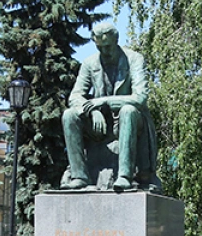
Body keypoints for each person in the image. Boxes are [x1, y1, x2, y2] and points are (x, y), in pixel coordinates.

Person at [60, 22, 159, 191]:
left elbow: (140, 98)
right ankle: (79, 177)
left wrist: (104, 102)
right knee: (69, 115)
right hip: (101, 124)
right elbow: (75, 96)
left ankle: (124, 176)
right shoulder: (90, 63)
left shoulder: (134, 59)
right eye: (100, 47)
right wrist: (92, 111)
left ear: (116, 40)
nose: (104, 51)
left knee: (128, 110)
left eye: (108, 46)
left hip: (131, 121)